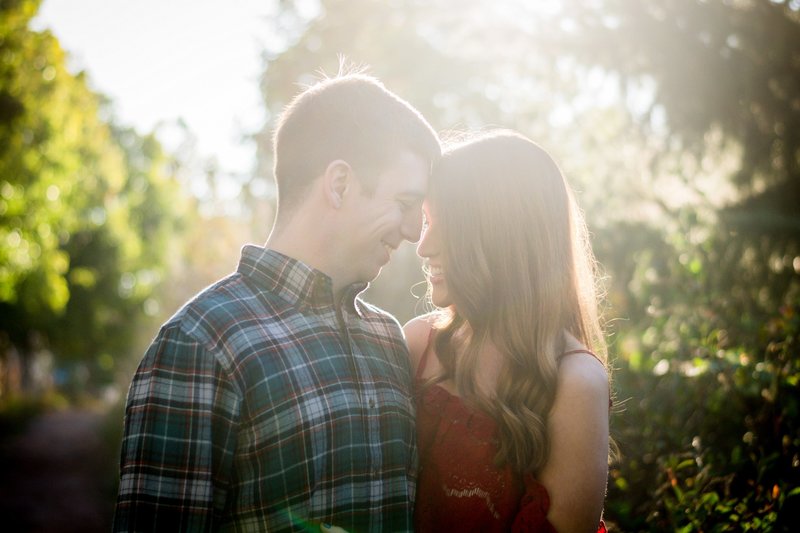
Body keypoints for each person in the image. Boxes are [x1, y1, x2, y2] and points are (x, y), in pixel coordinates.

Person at [113, 72, 440, 532]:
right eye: (405, 203)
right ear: (340, 184)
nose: (412, 232)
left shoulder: (387, 338)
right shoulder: (201, 345)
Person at [404, 131, 610, 532]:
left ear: (500, 233)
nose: (422, 246)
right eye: (427, 222)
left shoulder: (575, 386)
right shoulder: (416, 346)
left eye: (446, 225)